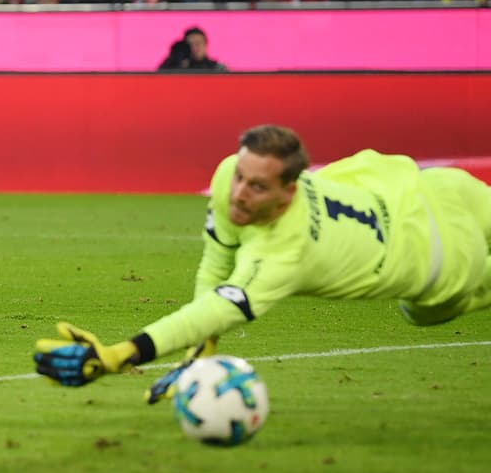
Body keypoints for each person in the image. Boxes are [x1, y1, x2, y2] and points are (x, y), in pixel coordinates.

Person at [33, 125, 491, 396]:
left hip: (446, 260)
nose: (238, 193)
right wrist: (200, 354)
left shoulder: (285, 255)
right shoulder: (229, 178)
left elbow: (217, 308)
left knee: (416, 312)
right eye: (240, 176)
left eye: (256, 187)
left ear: (287, 193)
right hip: (433, 186)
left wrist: (121, 354)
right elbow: (216, 264)